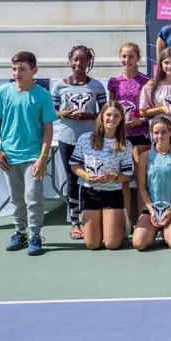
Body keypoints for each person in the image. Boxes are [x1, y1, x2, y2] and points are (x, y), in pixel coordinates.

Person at [0, 51, 57, 256]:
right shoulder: (3, 92)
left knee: (33, 197)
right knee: (17, 198)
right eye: (14, 69)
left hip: (33, 157)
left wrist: (43, 158)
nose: (17, 73)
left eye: (22, 69)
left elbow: (48, 129)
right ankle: (21, 233)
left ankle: (35, 235)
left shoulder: (43, 96)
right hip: (9, 157)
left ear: (34, 70)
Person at [51, 44, 107, 241]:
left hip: (91, 140)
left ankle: (94, 218)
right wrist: (63, 114)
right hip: (67, 139)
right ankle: (75, 222)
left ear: (88, 62)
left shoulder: (97, 86)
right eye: (75, 59)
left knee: (93, 177)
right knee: (73, 179)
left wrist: (90, 115)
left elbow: (104, 114)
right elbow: (52, 113)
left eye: (83, 60)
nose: (78, 63)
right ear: (70, 60)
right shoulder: (59, 85)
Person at [68, 101, 133, 250]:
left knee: (112, 244)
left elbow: (127, 175)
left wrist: (113, 177)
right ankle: (103, 226)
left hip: (113, 194)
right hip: (89, 192)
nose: (112, 118)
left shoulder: (125, 144)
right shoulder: (85, 139)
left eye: (116, 116)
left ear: (121, 118)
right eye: (108, 115)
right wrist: (86, 176)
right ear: (101, 116)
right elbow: (74, 165)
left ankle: (115, 225)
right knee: (92, 244)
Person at [108, 42, 151, 227]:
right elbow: (109, 111)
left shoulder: (146, 81)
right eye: (124, 56)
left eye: (131, 56)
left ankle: (142, 221)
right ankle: (126, 223)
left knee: (141, 183)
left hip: (140, 136)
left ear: (138, 59)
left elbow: (150, 110)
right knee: (123, 182)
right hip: (120, 137)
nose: (127, 60)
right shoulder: (114, 82)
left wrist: (140, 121)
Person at [132, 117, 171, 251]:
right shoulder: (145, 157)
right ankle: (156, 229)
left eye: (163, 132)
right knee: (139, 244)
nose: (160, 136)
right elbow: (142, 188)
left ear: (170, 132)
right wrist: (152, 211)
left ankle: (168, 230)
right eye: (156, 133)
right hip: (152, 209)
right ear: (152, 134)